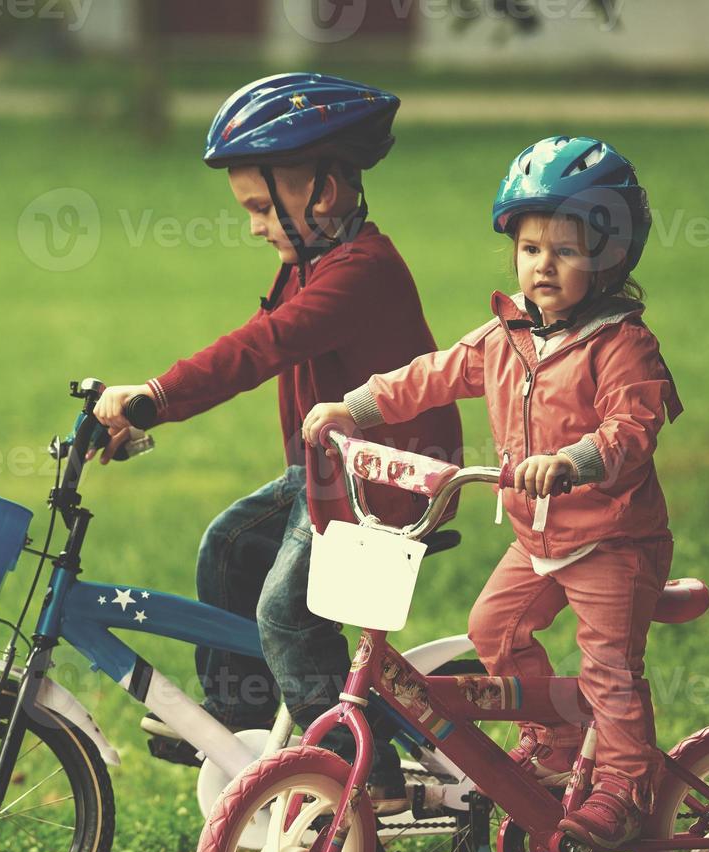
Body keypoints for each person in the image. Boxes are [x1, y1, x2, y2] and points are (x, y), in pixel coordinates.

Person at [92, 73, 462, 812]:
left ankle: (362, 773)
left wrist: (155, 397)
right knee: (227, 546)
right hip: (326, 474)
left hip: (385, 483)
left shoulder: (359, 272)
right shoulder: (311, 261)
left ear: (322, 194)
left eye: (261, 206)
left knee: (286, 614)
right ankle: (249, 726)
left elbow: (261, 347)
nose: (254, 224)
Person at [303, 135, 683, 847]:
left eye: (565, 251)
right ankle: (552, 743)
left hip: (611, 539)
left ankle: (625, 789)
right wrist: (351, 408)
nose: (543, 265)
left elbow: (633, 427)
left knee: (607, 668)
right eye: (531, 248)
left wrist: (575, 459)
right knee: (492, 631)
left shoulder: (621, 344)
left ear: (609, 259)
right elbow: (432, 374)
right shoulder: (506, 336)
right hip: (537, 536)